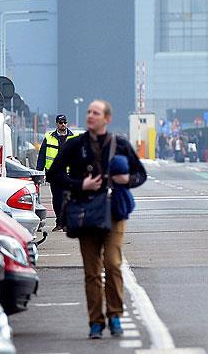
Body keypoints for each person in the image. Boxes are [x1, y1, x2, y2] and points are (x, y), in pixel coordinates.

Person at [47, 100, 146, 339]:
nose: (91, 115)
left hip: (114, 212)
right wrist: (81, 184)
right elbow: (54, 173)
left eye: (96, 112)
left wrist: (126, 180)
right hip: (85, 212)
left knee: (112, 264)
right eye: (89, 112)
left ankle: (114, 315)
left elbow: (140, 173)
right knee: (92, 271)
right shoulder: (75, 145)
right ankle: (95, 321)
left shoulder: (119, 143)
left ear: (107, 119)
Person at [36, 114, 80, 232]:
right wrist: (38, 171)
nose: (63, 124)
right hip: (54, 174)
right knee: (57, 199)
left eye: (64, 122)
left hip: (69, 173)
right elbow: (42, 155)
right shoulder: (49, 137)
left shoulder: (74, 137)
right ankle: (59, 222)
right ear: (56, 124)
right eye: (60, 122)